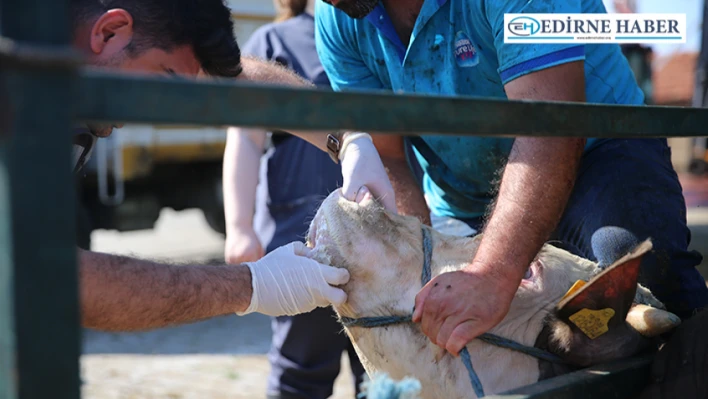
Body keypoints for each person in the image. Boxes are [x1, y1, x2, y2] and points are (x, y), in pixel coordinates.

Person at [313, 0, 708, 356]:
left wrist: (492, 273)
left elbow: (552, 125)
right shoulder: (338, 15)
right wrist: (415, 261)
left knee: (635, 265)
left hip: (599, 153)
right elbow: (389, 156)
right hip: (466, 195)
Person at [68, 0, 396, 331]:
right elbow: (59, 280)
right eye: (159, 82)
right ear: (109, 32)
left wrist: (346, 138)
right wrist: (252, 284)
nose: (149, 111)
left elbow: (236, 81)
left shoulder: (64, 62)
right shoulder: (17, 81)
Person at [222, 0, 366, 397]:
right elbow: (245, 140)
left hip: (377, 240)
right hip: (300, 242)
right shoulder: (273, 41)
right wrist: (239, 227)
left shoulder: (378, 35)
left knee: (383, 375)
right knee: (299, 373)